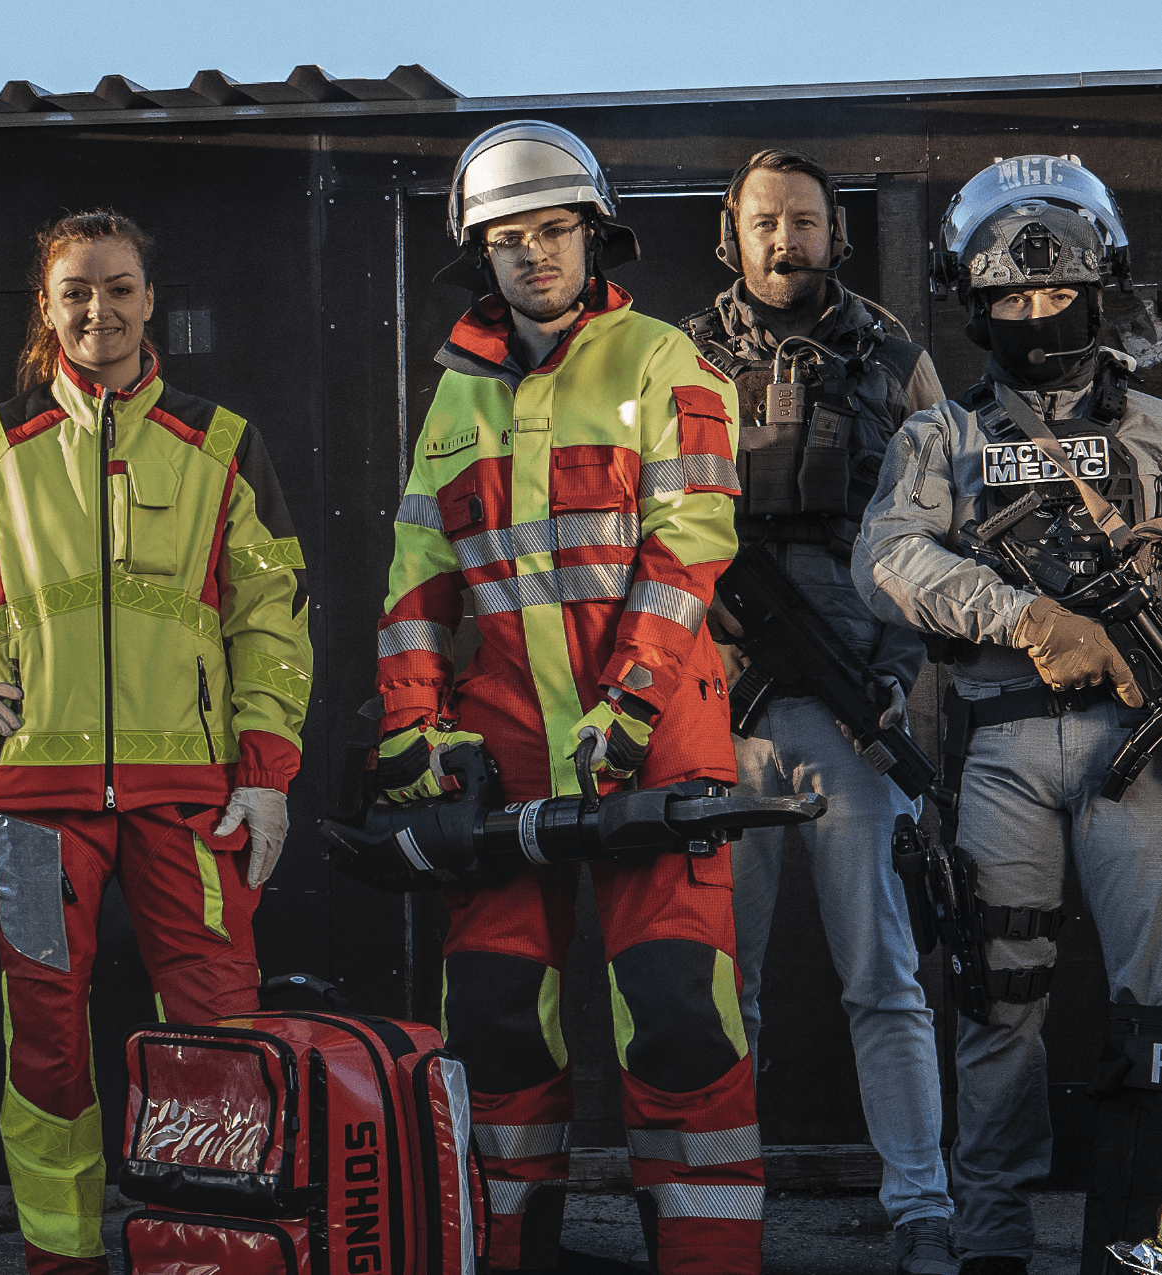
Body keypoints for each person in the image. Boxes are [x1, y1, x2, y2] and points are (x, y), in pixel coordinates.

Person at [0, 210, 311, 1275]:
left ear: (150, 302)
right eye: (76, 292)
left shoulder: (224, 442)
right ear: (47, 308)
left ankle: (215, 1253)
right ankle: (56, 1258)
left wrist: (269, 777)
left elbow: (272, 618)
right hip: (27, 798)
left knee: (217, 1033)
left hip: (193, 797)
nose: (97, 311)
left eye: (118, 289)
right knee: (47, 1042)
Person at [375, 120, 759, 1274]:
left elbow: (689, 543)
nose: (533, 255)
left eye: (552, 231)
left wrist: (632, 697)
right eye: (507, 237)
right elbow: (416, 585)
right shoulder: (454, 401)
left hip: (655, 743)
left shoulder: (662, 362)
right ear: (477, 253)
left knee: (680, 1018)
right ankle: (503, 1254)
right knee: (492, 1020)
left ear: (593, 237)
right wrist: (409, 729)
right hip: (500, 757)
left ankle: (707, 1261)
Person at [854, 154, 1162, 1275]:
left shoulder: (1156, 428)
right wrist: (1028, 616)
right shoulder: (943, 439)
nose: (1034, 316)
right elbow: (884, 558)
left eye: (1055, 292)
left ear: (1098, 288)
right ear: (975, 304)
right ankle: (989, 1238)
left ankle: (1140, 1231)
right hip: (1001, 749)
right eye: (1008, 299)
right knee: (999, 1000)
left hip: (1147, 748)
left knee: (1157, 1000)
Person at [680, 149, 957, 1275]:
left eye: (804, 221)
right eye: (764, 222)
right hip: (714, 713)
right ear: (731, 236)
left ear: (836, 235)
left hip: (853, 712)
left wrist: (892, 677)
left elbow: (942, 527)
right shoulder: (675, 358)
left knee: (884, 979)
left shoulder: (892, 355)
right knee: (717, 977)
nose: (783, 239)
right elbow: (644, 525)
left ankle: (922, 1203)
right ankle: (716, 1198)